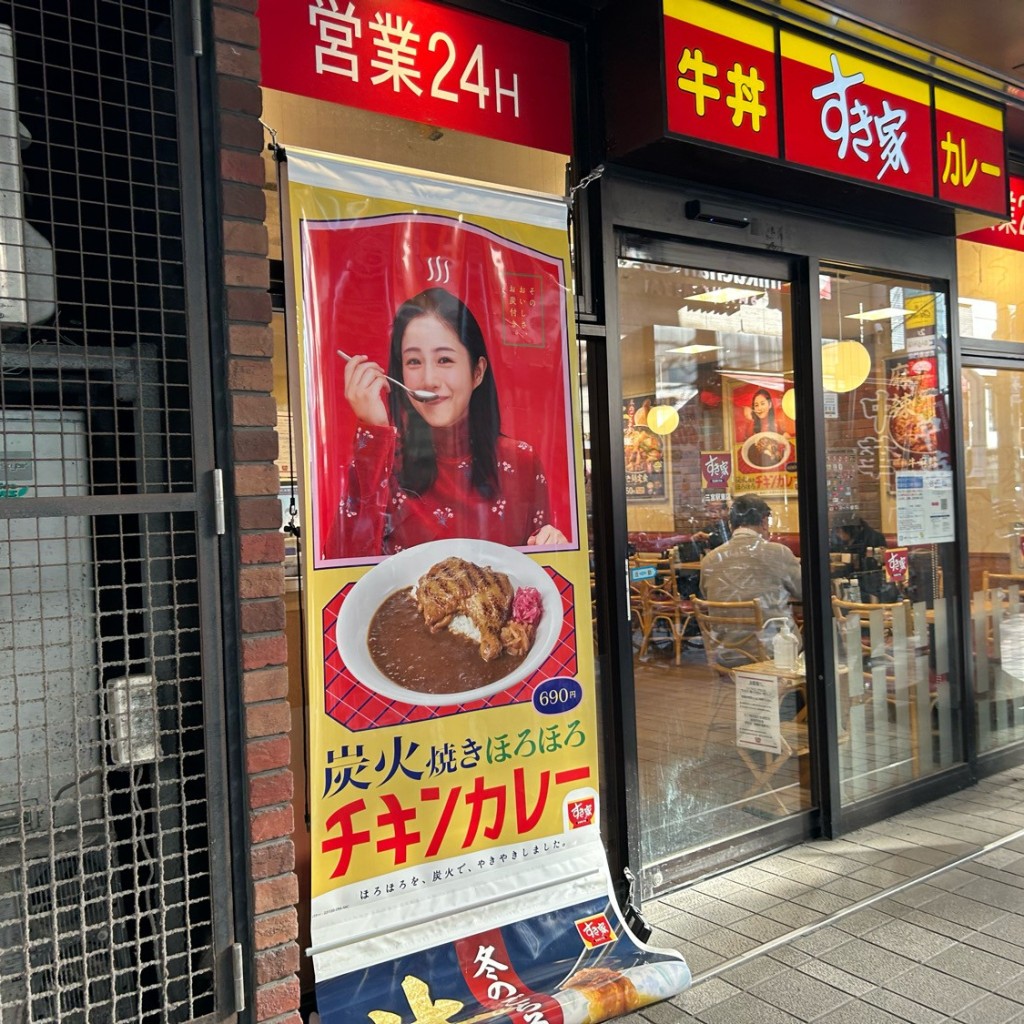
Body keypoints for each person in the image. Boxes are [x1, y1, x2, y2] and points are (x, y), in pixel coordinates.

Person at [323, 286, 567, 558]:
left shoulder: (520, 461)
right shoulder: (385, 459)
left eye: (444, 359)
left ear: (477, 372)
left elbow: (535, 582)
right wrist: (373, 434)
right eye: (414, 361)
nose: (429, 379)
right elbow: (342, 569)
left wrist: (551, 547)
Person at [699, 494, 802, 641]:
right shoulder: (779, 552)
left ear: (730, 525)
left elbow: (705, 593)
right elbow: (804, 591)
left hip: (724, 653)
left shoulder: (709, 559)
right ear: (764, 522)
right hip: (774, 653)